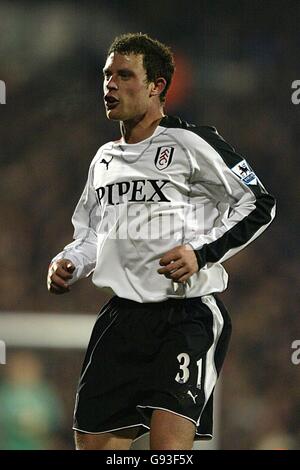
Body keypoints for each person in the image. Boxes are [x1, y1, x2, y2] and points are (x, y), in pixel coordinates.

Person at [47, 33, 276, 450]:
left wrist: (201, 254)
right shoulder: (103, 159)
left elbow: (259, 202)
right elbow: (93, 234)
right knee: (94, 447)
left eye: (124, 75)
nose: (110, 85)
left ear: (157, 86)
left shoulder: (192, 142)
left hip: (184, 318)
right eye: (106, 75)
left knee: (168, 450)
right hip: (120, 319)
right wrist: (70, 262)